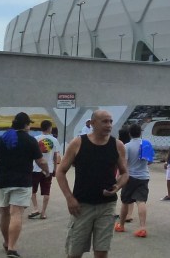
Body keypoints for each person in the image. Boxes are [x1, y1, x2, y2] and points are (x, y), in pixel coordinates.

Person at [56, 110, 129, 258]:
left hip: (107, 205)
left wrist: (117, 186)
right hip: (81, 206)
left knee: (102, 252)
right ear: (93, 123)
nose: (109, 125)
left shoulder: (117, 145)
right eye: (105, 121)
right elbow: (60, 171)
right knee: (75, 252)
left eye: (110, 121)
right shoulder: (78, 143)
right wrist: (69, 198)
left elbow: (125, 173)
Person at [0, 112, 47, 258]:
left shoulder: (2, 139)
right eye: (29, 124)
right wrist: (47, 171)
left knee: (4, 213)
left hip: (3, 181)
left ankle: (6, 242)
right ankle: (12, 247)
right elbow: (41, 161)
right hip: (22, 182)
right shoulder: (30, 140)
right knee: (16, 213)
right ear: (26, 125)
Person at [116, 124, 152, 237]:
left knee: (125, 201)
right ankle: (142, 228)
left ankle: (121, 225)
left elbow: (124, 163)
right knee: (141, 201)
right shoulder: (146, 144)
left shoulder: (127, 146)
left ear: (130, 134)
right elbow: (150, 161)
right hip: (144, 176)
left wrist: (119, 177)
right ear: (140, 133)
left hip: (130, 176)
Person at [29, 119, 61, 219]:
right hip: (49, 169)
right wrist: (55, 168)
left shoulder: (35, 139)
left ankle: (35, 208)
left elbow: (31, 155)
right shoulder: (54, 140)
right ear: (50, 128)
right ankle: (43, 212)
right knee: (46, 191)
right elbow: (56, 156)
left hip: (35, 168)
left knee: (32, 190)